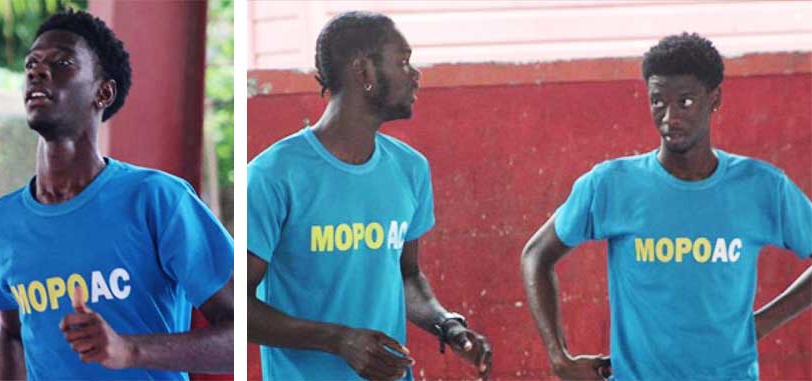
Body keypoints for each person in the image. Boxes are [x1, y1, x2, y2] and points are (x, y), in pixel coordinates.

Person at [521, 32, 812, 381]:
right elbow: (536, 255)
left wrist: (763, 323)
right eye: (657, 101)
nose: (669, 117)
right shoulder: (611, 184)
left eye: (685, 102)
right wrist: (559, 358)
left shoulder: (762, 187)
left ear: (714, 98)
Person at [0, 9, 234, 380]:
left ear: (103, 92)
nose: (38, 71)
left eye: (62, 62)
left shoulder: (158, 200)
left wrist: (130, 350)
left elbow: (245, 336)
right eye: (32, 63)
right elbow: (13, 334)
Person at [247, 11, 493, 381]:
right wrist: (337, 340)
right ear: (363, 71)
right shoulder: (273, 175)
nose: (415, 74)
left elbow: (406, 275)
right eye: (403, 61)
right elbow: (239, 307)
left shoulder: (410, 168)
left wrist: (448, 326)